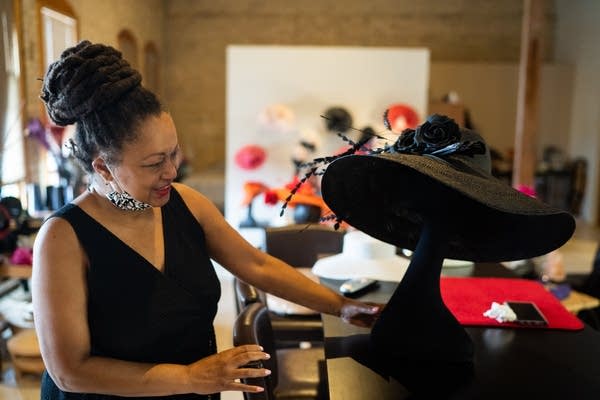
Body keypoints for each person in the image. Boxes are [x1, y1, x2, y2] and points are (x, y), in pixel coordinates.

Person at [31, 40, 381, 400]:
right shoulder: (63, 238)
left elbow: (257, 265)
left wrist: (340, 305)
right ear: (103, 166)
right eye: (153, 163)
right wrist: (189, 378)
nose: (171, 171)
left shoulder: (187, 205)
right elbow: (69, 371)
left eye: (174, 153)